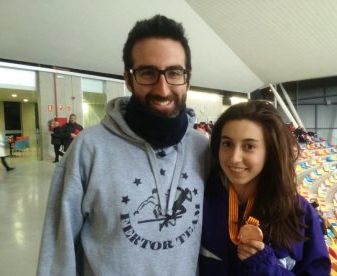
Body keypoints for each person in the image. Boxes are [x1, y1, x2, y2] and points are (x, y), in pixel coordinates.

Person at [37, 15, 210, 276]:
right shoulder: (89, 149)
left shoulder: (203, 149)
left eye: (174, 73)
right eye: (148, 73)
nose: (163, 89)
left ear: (187, 79)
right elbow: (58, 249)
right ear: (128, 79)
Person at [200, 101, 331, 275]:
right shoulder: (199, 201)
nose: (234, 158)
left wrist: (266, 268)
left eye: (249, 146)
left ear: (270, 152)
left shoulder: (300, 213)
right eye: (227, 144)